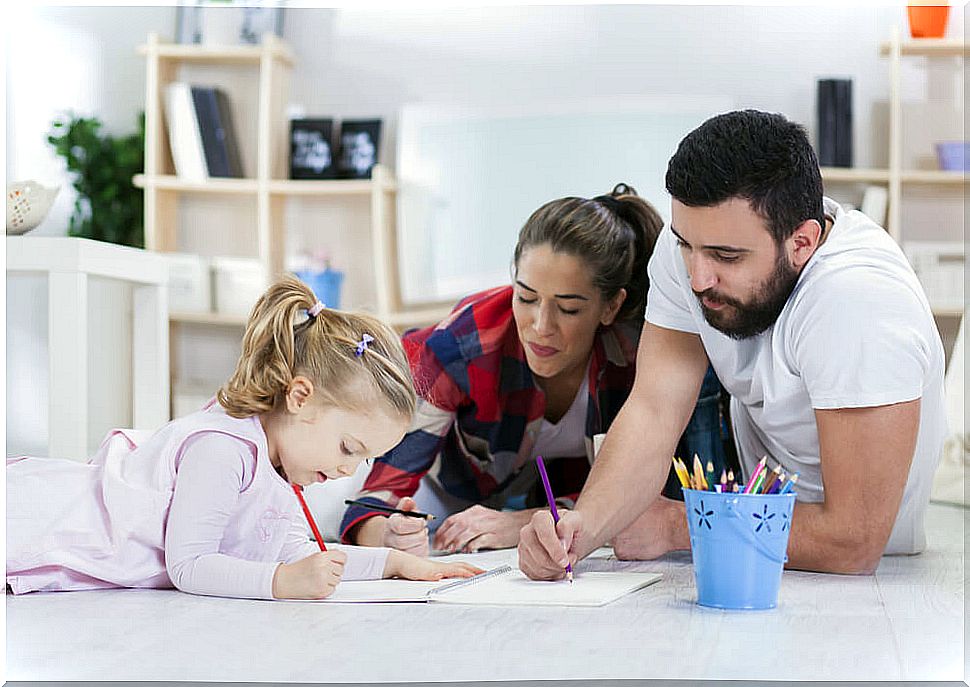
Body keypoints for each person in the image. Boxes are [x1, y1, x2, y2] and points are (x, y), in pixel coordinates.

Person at [518, 109, 947, 579]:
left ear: (802, 242)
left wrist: (681, 525)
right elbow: (654, 409)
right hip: (748, 536)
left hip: (871, 577)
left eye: (727, 256)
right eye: (687, 245)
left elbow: (853, 540)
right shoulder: (691, 249)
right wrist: (581, 528)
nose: (698, 278)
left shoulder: (858, 300)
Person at [7, 276, 481, 600]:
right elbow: (189, 565)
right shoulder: (224, 447)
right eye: (348, 449)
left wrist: (396, 564)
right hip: (37, 521)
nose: (347, 471)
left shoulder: (280, 469)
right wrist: (281, 583)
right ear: (300, 397)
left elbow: (306, 557)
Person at [341, 184, 734, 556]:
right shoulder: (460, 345)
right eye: (526, 297)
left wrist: (524, 522)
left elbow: (638, 493)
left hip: (557, 505)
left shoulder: (637, 356)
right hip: (451, 494)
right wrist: (387, 533)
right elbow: (375, 500)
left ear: (611, 307)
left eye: (568, 308)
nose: (541, 326)